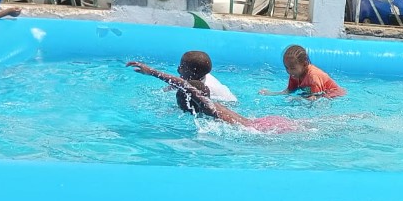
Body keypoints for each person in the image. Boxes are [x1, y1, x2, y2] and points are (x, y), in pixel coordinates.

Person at [127, 61, 300, 133]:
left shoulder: (210, 109)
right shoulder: (213, 106)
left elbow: (186, 86)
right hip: (265, 121)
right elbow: (189, 88)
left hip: (264, 130)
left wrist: (152, 72)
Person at [259, 44, 346, 99]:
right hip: (316, 93)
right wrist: (273, 93)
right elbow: (289, 91)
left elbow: (316, 98)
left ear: (305, 64)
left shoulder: (313, 76)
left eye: (292, 68)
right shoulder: (294, 74)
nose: (289, 71)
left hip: (335, 95)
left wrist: (298, 99)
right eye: (286, 67)